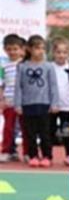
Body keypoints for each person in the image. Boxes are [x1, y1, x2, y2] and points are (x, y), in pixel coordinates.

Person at [15, 35, 58, 167]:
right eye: (37, 48)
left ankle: (47, 155)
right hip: (28, 105)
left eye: (43, 48)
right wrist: (18, 104)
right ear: (29, 49)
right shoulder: (22, 67)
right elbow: (19, 87)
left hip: (44, 104)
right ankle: (33, 155)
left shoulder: (48, 66)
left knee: (45, 133)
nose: (40, 51)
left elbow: (53, 86)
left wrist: (54, 103)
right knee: (30, 133)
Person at [50, 37, 69, 166]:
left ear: (68, 54)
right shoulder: (49, 68)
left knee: (66, 131)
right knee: (50, 130)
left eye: (64, 52)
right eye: (58, 52)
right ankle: (47, 154)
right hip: (52, 106)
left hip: (66, 106)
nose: (61, 55)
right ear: (53, 53)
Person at [1, 34, 26, 162]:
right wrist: (2, 100)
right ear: (5, 49)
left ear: (22, 49)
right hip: (9, 102)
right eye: (9, 49)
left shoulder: (24, 65)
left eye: (15, 49)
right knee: (8, 128)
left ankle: (28, 152)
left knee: (25, 128)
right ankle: (7, 151)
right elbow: (1, 84)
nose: (12, 52)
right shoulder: (3, 67)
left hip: (23, 102)